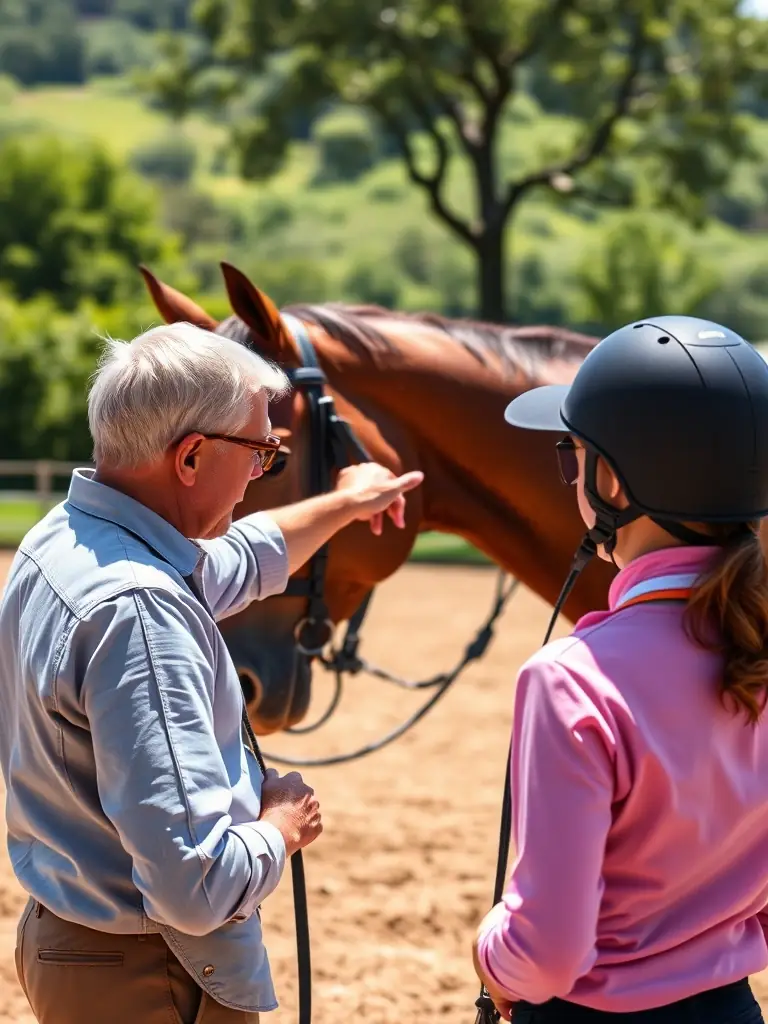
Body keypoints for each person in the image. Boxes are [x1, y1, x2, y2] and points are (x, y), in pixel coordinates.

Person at [0, 321, 423, 1024]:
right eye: (260, 453)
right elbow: (193, 887)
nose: (262, 472)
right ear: (191, 456)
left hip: (78, 947)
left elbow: (241, 560)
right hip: (156, 975)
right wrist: (280, 827)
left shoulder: (67, 540)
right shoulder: (141, 613)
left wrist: (346, 501)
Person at [472, 315, 768, 1023]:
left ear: (608, 481)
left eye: (575, 456)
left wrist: (489, 949)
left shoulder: (571, 679)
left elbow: (546, 954)